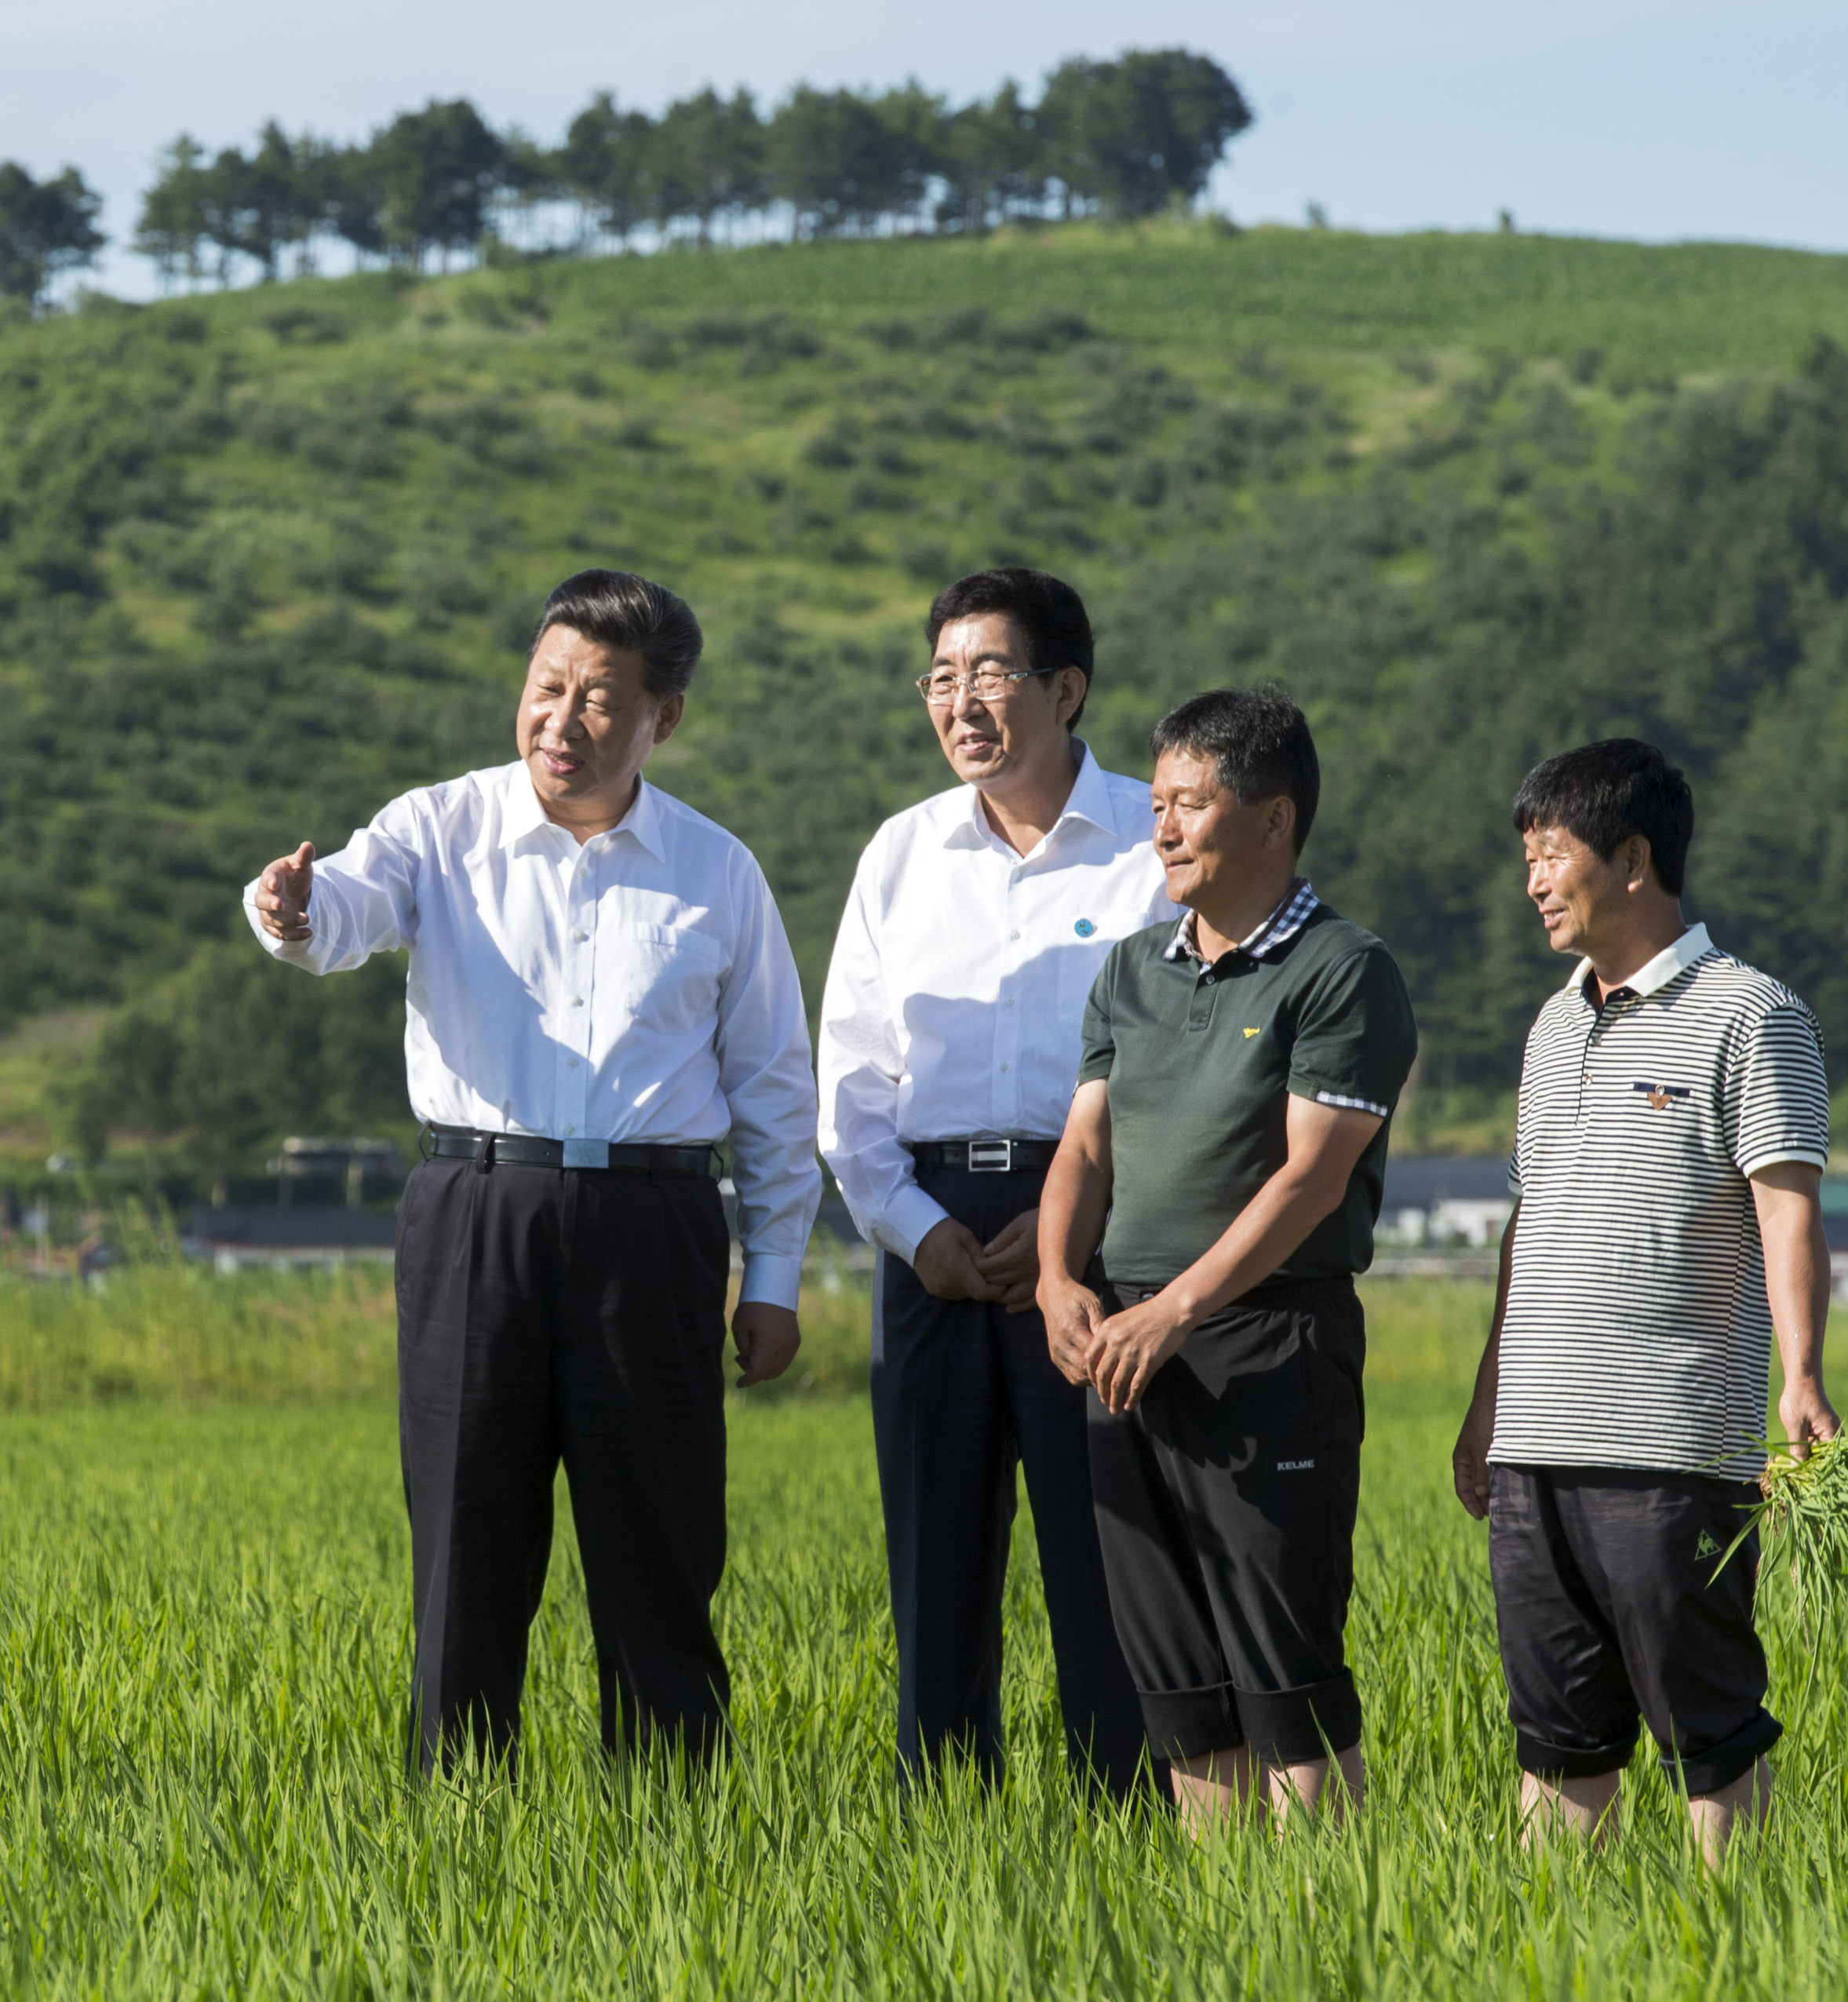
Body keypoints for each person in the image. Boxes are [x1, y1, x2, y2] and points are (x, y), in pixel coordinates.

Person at [246, 569, 820, 1776]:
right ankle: (461, 1826)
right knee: (465, 1541)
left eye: (600, 700)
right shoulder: (439, 828)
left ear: (663, 719)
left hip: (653, 1226)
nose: (561, 722)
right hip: (474, 1214)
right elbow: (345, 907)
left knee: (659, 1550)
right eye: (545, 688)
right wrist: (293, 911)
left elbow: (772, 1088)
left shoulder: (718, 871)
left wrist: (773, 1276)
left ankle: (674, 1833)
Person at [1036, 688, 1418, 1831]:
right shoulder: (1132, 969)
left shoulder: (1343, 969)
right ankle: (1228, 1941)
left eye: (1189, 805)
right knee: (1180, 1689)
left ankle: (1327, 1932)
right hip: (1123, 1344)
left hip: (1263, 1339)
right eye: (1155, 804)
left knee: (1280, 1667)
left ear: (1271, 819)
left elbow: (1309, 1176)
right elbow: (1084, 1148)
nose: (1160, 829)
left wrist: (1180, 1311)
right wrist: (1061, 1279)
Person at [1450, 737, 1835, 1865]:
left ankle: (1747, 1946)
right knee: (1556, 1736)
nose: (1531, 881)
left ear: (1630, 859)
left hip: (1670, 1445)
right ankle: (1557, 1974)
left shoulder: (1751, 1013)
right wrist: (1486, 1407)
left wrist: (1801, 1376)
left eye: (1548, 854)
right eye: (1525, 856)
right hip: (1534, 1443)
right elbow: (1529, 1229)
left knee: (1707, 1728)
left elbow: (1787, 1210)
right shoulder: (1551, 1022)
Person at [818, 567, 1168, 1800]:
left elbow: (1174, 1058)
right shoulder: (901, 853)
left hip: (1096, 1241)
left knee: (1103, 1557)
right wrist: (916, 1235)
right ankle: (943, 1832)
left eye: (991, 674)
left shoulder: (1149, 843)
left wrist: (1076, 1227)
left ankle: (1118, 1825)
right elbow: (851, 1079)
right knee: (934, 1566)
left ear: (1067, 690)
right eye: (941, 678)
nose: (961, 703)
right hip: (932, 1241)